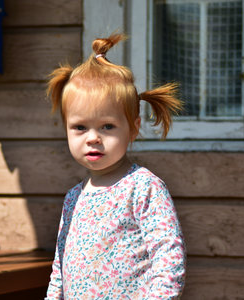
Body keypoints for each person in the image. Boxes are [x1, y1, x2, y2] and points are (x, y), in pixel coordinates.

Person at [45, 33, 186, 299]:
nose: (93, 137)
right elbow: (59, 270)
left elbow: (169, 258)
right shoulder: (74, 198)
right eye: (80, 127)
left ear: (133, 129)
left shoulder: (144, 187)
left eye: (107, 126)